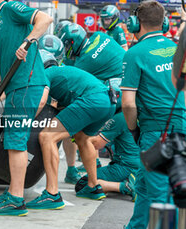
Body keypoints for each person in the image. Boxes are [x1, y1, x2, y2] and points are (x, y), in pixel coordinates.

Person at [0, 0, 52, 216]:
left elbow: (45, 19)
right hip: (16, 87)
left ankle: (16, 199)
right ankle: (12, 193)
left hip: (27, 83)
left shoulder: (9, 8)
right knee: (12, 139)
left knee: (16, 140)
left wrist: (27, 42)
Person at [121, 1, 186, 229]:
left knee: (162, 197)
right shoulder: (177, 49)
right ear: (164, 23)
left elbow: (128, 104)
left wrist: (133, 130)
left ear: (135, 23)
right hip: (179, 126)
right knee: (145, 186)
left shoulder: (134, 53)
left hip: (156, 131)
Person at [25, 50, 115, 209]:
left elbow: (40, 102)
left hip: (92, 99)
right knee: (82, 138)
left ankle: (52, 194)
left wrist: (25, 122)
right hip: (107, 101)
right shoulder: (61, 72)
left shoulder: (46, 74)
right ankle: (93, 186)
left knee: (47, 136)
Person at [58, 22, 125, 183]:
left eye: (66, 46)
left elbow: (69, 74)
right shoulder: (100, 36)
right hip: (129, 90)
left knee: (70, 119)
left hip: (117, 96)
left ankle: (76, 168)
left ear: (72, 43)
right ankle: (93, 162)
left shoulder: (84, 63)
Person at [90, 110, 139, 201]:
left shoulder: (122, 117)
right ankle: (135, 182)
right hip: (146, 166)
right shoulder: (150, 115)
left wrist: (82, 139)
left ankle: (127, 186)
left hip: (126, 166)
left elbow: (97, 144)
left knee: (84, 184)